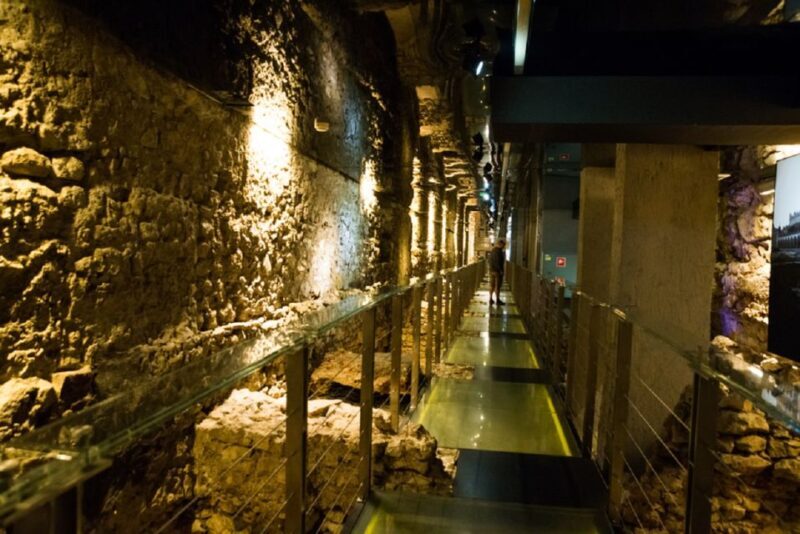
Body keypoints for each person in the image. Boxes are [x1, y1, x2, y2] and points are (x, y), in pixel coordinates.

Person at [488, 239, 506, 305]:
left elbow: (490, 260)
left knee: (492, 285)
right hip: (497, 271)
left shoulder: (492, 251)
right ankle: (497, 300)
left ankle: (490, 299)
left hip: (492, 270)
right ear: (500, 244)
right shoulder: (499, 251)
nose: (504, 247)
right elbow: (498, 262)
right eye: (503, 245)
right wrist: (500, 270)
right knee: (497, 286)